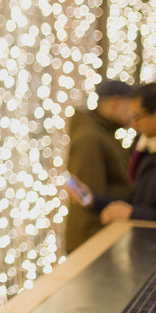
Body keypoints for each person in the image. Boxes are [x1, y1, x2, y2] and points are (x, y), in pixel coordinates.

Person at [64, 79, 134, 251]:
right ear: (116, 103)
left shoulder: (105, 133)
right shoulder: (91, 138)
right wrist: (99, 248)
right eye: (131, 107)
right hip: (92, 244)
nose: (133, 114)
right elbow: (87, 199)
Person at [98, 82, 156, 224]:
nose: (134, 125)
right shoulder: (145, 150)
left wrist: (133, 214)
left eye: (138, 117)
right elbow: (139, 200)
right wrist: (93, 201)